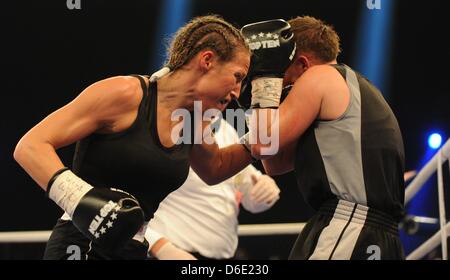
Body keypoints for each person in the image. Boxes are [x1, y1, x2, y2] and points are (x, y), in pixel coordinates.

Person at [13, 15, 254, 260]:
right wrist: (80, 200)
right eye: (237, 77)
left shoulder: (192, 120)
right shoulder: (126, 94)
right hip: (81, 246)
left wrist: (270, 99)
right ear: (207, 60)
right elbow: (31, 146)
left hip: (134, 250)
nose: (236, 93)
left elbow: (216, 168)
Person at [240, 16, 405, 259]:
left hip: (348, 225)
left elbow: (263, 144)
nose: (283, 84)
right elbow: (274, 163)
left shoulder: (320, 77)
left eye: (284, 72)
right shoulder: (355, 87)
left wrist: (265, 78)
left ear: (302, 64)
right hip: (379, 236)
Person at [146, 118, 280, 260]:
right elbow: (125, 200)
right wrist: (159, 247)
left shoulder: (226, 129)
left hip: (225, 255)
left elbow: (248, 193)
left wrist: (264, 189)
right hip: (171, 251)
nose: (233, 95)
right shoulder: (161, 126)